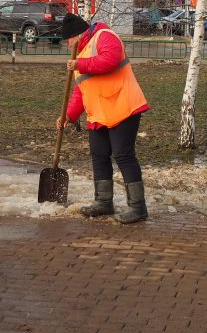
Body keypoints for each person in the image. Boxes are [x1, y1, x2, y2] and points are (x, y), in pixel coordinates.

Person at [56, 13, 150, 224]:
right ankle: (104, 202)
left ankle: (138, 207)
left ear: (77, 35)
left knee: (123, 155)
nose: (67, 45)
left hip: (123, 107)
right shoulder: (81, 55)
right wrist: (68, 116)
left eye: (68, 40)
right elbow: (81, 91)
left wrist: (80, 64)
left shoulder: (104, 36)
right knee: (99, 155)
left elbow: (109, 60)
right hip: (99, 113)